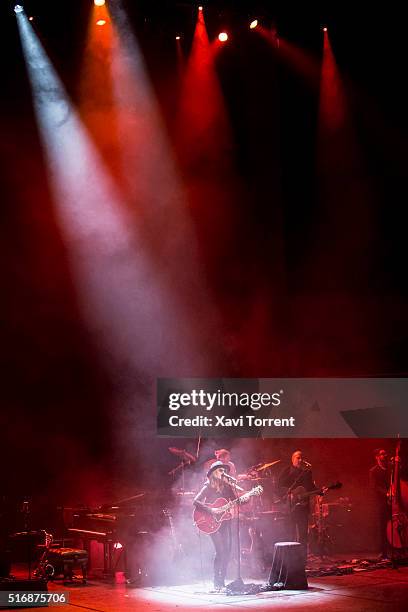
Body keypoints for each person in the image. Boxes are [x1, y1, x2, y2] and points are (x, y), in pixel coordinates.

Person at [193, 461, 236, 591]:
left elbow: (234, 501)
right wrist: (211, 510)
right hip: (211, 522)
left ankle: (222, 580)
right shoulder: (208, 486)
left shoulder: (228, 487)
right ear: (214, 473)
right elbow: (196, 501)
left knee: (227, 551)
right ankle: (216, 580)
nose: (224, 473)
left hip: (225, 521)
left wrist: (247, 497)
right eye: (220, 470)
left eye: (224, 471)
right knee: (220, 551)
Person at [277, 450, 318, 561]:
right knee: (290, 533)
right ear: (293, 459)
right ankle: (290, 558)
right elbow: (278, 486)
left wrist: (320, 491)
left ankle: (302, 559)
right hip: (291, 507)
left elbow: (310, 487)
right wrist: (289, 494)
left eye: (301, 458)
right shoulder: (287, 470)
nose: (300, 460)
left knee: (303, 534)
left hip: (303, 507)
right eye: (298, 458)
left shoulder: (307, 472)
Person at [369, 448, 390, 559]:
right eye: (382, 454)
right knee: (383, 526)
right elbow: (374, 487)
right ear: (376, 456)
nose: (385, 455)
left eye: (385, 453)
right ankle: (384, 551)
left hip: (393, 502)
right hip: (381, 501)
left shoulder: (390, 469)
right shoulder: (373, 471)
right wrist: (386, 493)